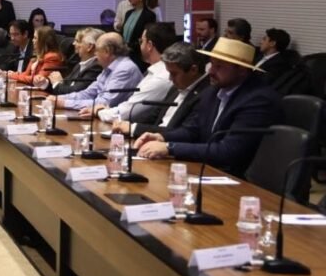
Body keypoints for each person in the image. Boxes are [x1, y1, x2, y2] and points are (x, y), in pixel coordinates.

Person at [136, 37, 283, 176]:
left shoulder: (258, 100)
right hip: (209, 170)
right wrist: (162, 137)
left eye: (219, 66)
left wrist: (170, 148)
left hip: (238, 178)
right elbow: (193, 130)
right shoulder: (213, 91)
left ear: (242, 71)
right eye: (212, 64)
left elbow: (228, 151)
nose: (211, 71)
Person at [114, 42, 210, 138]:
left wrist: (134, 128)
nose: (170, 79)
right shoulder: (177, 87)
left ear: (193, 70)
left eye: (174, 74)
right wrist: (128, 124)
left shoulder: (206, 94)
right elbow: (155, 116)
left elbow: (182, 132)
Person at [90, 23, 176, 124]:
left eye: (141, 41)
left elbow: (128, 112)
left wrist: (99, 111)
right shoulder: (154, 72)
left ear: (149, 45)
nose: (140, 45)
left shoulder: (160, 77)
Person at [53, 33, 143, 111]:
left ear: (107, 51)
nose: (95, 55)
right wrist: (57, 99)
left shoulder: (124, 69)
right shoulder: (108, 68)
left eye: (97, 50)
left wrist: (65, 103)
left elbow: (104, 103)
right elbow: (88, 93)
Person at [36, 28, 104, 95]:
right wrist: (45, 83)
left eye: (77, 41)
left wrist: (57, 83)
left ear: (90, 47)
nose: (74, 43)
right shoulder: (79, 65)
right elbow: (66, 85)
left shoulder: (96, 67)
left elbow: (76, 92)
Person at [120, 0, 156, 69]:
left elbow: (145, 36)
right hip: (124, 55)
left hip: (138, 56)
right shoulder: (128, 13)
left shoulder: (149, 15)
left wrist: (129, 46)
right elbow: (122, 32)